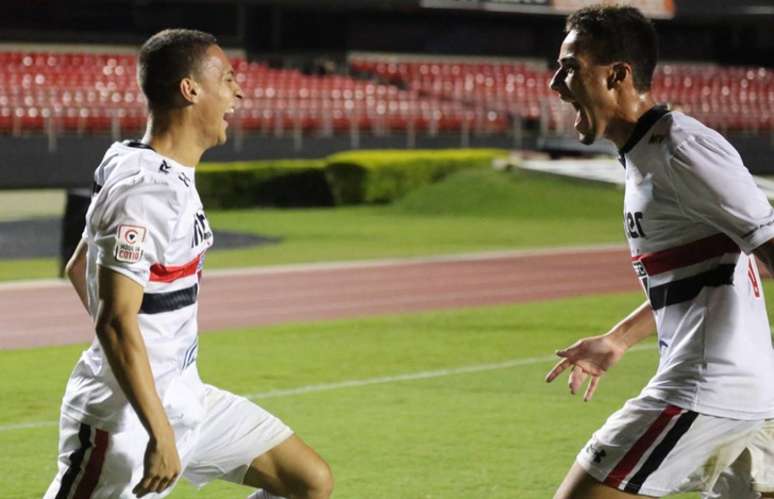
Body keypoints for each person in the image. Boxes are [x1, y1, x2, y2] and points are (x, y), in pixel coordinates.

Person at [44, 29, 334, 499]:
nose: (238, 92)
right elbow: (115, 320)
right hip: (125, 422)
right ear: (190, 89)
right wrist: (158, 430)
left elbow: (79, 267)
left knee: (308, 482)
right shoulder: (145, 192)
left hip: (185, 398)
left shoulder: (130, 160)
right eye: (228, 79)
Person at [544, 5, 774, 499]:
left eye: (570, 67)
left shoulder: (680, 151)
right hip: (744, 394)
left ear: (618, 74)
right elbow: (721, 269)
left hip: (706, 390)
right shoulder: (649, 154)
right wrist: (621, 338)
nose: (555, 84)